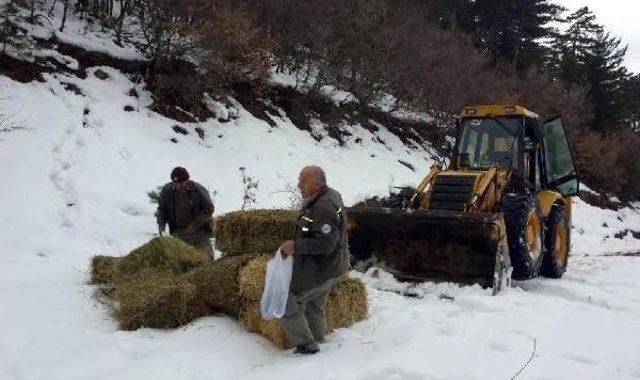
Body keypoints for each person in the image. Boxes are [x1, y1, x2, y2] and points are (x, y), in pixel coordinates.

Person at [278, 165, 350, 355]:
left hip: (324, 270)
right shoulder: (326, 197)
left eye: (303, 180)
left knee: (285, 301)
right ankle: (319, 339)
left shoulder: (323, 207)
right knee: (314, 304)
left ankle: (306, 346)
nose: (298, 184)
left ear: (318, 183)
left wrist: (295, 246)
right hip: (330, 265)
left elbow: (326, 244)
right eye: (299, 179)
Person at [156, 166, 214, 255]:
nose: (180, 186)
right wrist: (161, 224)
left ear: (187, 180)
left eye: (183, 182)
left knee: (205, 261)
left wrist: (194, 226)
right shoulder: (167, 191)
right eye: (177, 183)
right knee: (183, 264)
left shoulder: (198, 190)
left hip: (199, 233)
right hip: (179, 234)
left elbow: (209, 208)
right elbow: (162, 209)